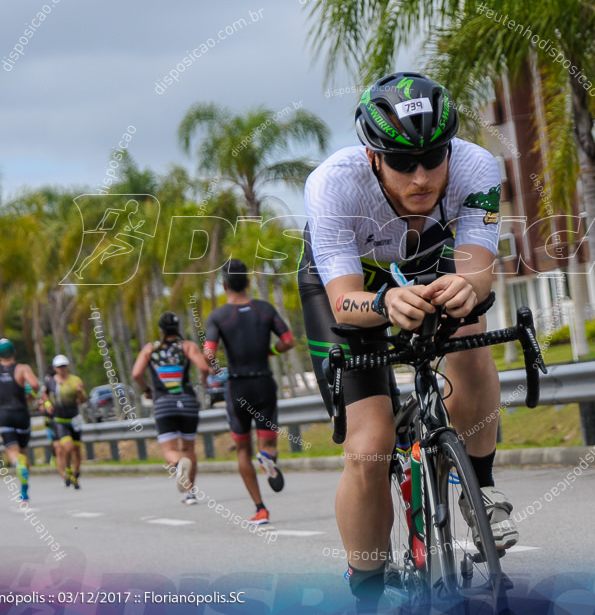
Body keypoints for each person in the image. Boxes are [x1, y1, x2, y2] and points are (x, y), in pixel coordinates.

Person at [298, 72, 514, 609]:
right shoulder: (334, 184)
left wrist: (467, 287)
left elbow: (479, 269)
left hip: (431, 262)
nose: (420, 176)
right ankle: (367, 588)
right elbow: (345, 298)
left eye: (432, 157)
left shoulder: (477, 168)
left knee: (471, 330)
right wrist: (383, 304)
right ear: (373, 157)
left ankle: (480, 489)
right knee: (369, 448)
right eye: (401, 162)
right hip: (352, 286)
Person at [204, 259, 296, 526]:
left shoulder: (218, 316)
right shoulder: (264, 309)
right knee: (268, 443)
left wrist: (217, 369)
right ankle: (267, 457)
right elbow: (288, 340)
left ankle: (260, 509)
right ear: (247, 282)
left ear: (224, 284)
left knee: (242, 449)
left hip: (237, 387)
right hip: (264, 383)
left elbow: (209, 351)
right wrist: (270, 351)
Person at [132, 312, 211, 505]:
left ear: (160, 330)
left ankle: (177, 466)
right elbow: (203, 368)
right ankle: (190, 492)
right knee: (189, 449)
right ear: (178, 329)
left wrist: (147, 390)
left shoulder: (150, 348)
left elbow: (136, 373)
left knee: (169, 449)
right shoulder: (187, 346)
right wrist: (204, 383)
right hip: (188, 402)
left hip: (163, 403)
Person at [0, 338, 39, 501]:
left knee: (12, 451)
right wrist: (28, 394)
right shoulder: (22, 369)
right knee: (23, 451)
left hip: (5, 415)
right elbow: (34, 384)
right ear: (14, 352)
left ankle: (18, 465)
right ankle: (24, 489)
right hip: (22, 415)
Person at [44, 355, 87, 489]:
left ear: (67, 366)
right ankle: (67, 469)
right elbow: (44, 394)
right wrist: (47, 404)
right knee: (67, 448)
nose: (62, 369)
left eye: (64, 366)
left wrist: (80, 393)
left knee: (77, 450)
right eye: (59, 367)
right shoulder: (50, 382)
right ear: (54, 368)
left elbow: (82, 400)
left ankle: (76, 474)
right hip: (59, 420)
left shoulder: (75, 380)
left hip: (74, 419)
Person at [39, 370, 60, 470]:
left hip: (60, 420)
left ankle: (59, 458)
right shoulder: (45, 392)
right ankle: (54, 456)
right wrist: (44, 405)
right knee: (53, 443)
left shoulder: (58, 388)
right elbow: (40, 405)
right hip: (49, 422)